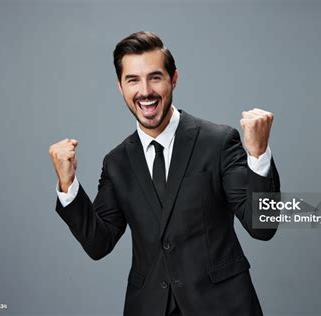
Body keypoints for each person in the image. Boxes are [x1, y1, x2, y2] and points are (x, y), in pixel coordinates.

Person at [49, 31, 280, 316]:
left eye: (155, 77)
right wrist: (67, 183)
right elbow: (99, 243)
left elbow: (263, 226)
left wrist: (257, 153)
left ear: (173, 79)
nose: (145, 91)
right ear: (120, 87)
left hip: (222, 306)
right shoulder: (117, 162)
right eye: (132, 79)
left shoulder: (218, 141)